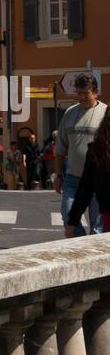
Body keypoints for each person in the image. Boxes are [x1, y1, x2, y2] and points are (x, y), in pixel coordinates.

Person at [55, 74, 107, 235]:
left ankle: (96, 258)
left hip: (99, 179)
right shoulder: (70, 113)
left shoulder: (106, 113)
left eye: (86, 93)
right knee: (68, 216)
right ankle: (80, 244)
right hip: (72, 178)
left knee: (98, 228)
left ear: (95, 92)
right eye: (79, 93)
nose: (82, 97)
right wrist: (58, 175)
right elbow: (60, 148)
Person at [65, 107, 110, 237]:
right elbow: (86, 187)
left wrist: (72, 221)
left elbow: (85, 188)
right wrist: (73, 221)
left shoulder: (97, 151)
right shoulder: (96, 151)